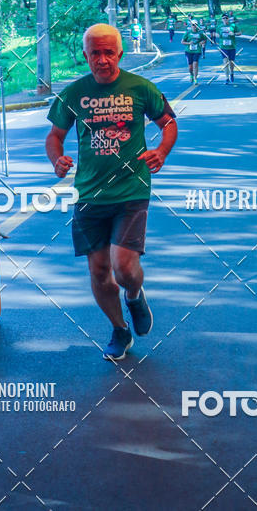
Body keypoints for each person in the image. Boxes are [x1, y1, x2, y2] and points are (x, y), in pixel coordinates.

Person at [45, 24, 177, 361]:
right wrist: (56, 160)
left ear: (120, 53)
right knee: (100, 271)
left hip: (131, 189)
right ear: (86, 55)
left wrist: (161, 151)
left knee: (124, 267)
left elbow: (168, 123)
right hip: (89, 194)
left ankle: (134, 294)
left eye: (108, 53)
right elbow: (55, 135)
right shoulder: (74, 93)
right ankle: (119, 330)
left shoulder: (140, 87)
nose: (102, 60)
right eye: (95, 53)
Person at [219, 13, 240, 83]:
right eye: (223, 18)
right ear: (222, 19)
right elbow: (216, 34)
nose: (225, 19)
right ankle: (226, 78)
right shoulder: (219, 27)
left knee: (231, 62)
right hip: (223, 47)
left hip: (232, 47)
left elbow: (240, 33)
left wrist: (233, 34)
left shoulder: (233, 25)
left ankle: (232, 73)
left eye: (226, 18)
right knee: (225, 62)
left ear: (228, 19)